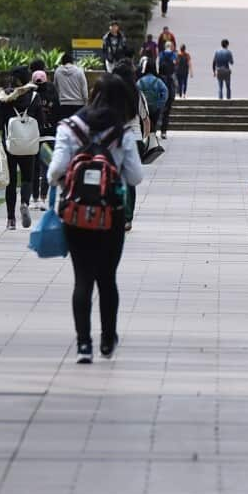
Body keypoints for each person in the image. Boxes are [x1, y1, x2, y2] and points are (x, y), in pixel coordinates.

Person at [47, 74, 145, 364]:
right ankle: (107, 340)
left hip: (76, 215)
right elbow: (135, 176)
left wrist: (67, 181)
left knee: (82, 279)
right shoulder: (122, 133)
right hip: (110, 216)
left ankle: (83, 345)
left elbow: (54, 172)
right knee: (107, 279)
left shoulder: (69, 129)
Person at [0, 66, 45, 230]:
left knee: (11, 182)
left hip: (10, 143)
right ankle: (24, 202)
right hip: (28, 144)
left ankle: (10, 219)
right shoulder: (34, 96)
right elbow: (41, 122)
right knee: (27, 178)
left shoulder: (4, 97)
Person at [111, 60, 147, 233]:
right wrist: (146, 139)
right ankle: (127, 218)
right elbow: (145, 118)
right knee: (130, 181)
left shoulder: (110, 93)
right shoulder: (137, 93)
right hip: (135, 138)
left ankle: (116, 214)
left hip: (115, 139)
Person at [28, 64, 60, 207]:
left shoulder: (30, 96)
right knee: (46, 168)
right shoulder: (52, 92)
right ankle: (42, 198)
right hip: (50, 136)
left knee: (34, 169)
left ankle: (33, 198)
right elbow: (58, 112)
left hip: (34, 137)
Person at [137, 58, 170, 137]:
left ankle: (145, 140)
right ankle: (152, 140)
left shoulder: (140, 81)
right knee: (153, 125)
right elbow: (165, 92)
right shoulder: (158, 81)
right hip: (155, 108)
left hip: (143, 108)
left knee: (143, 125)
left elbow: (135, 93)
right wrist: (160, 104)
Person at [54, 51, 89, 122]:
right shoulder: (79, 71)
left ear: (62, 61)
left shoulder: (57, 71)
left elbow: (56, 88)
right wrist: (86, 103)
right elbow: (84, 89)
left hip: (63, 105)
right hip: (78, 104)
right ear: (72, 61)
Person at [158, 42, 179, 138]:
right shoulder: (174, 54)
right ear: (171, 47)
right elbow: (175, 65)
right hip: (169, 81)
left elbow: (157, 65)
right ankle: (164, 131)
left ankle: (153, 131)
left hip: (161, 80)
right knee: (167, 111)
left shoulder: (161, 54)